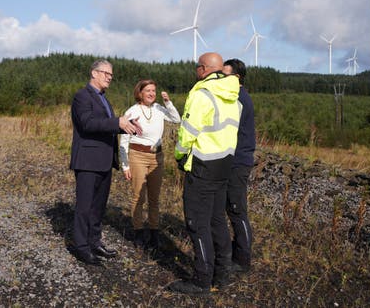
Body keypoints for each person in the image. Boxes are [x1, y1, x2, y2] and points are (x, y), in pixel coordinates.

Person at [169, 52, 242, 295]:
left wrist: (180, 156)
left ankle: (201, 280)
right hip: (224, 166)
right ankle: (221, 275)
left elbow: (188, 132)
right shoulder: (234, 96)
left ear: (203, 69)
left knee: (197, 223)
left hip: (202, 166)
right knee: (217, 221)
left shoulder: (201, 94)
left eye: (196, 68)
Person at [70, 59, 142, 265]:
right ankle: (81, 247)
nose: (109, 77)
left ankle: (95, 242)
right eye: (105, 73)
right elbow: (87, 123)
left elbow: (106, 125)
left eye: (111, 74)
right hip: (87, 160)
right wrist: (115, 121)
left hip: (104, 160)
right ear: (94, 73)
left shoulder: (103, 99)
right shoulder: (82, 96)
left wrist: (125, 125)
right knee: (84, 206)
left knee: (98, 206)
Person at [119, 80, 181, 249]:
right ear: (140, 93)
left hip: (157, 157)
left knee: (154, 198)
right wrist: (125, 166)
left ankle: (154, 232)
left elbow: (176, 119)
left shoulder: (159, 108)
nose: (152, 93)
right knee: (139, 196)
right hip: (137, 155)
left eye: (154, 90)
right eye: (148, 90)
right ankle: (138, 231)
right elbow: (124, 139)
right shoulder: (132, 111)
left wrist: (167, 102)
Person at [222, 58, 256, 275]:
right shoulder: (237, 97)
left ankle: (243, 259)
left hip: (238, 162)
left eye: (224, 75)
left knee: (237, 210)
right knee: (231, 208)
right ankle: (237, 250)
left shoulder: (239, 99)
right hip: (234, 160)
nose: (221, 80)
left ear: (237, 77)